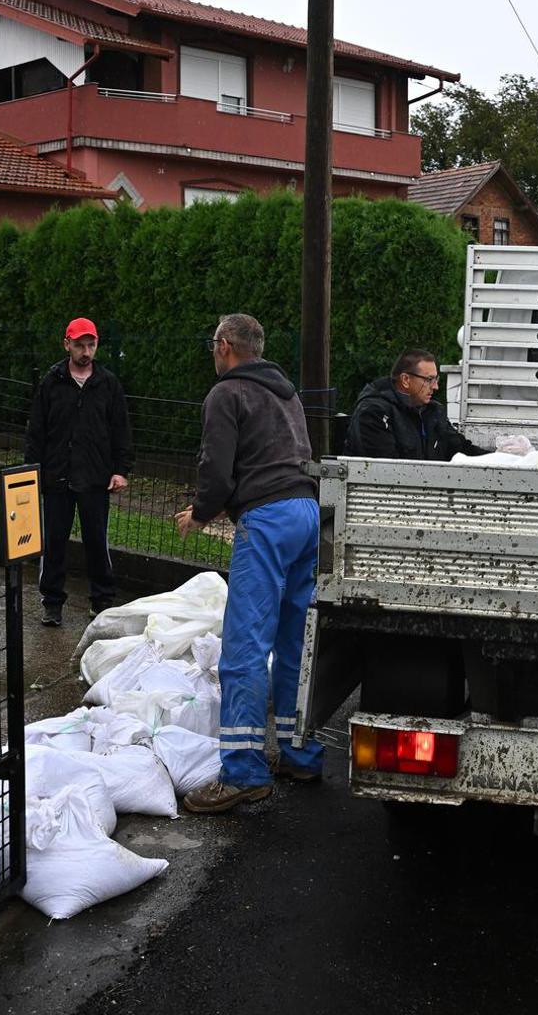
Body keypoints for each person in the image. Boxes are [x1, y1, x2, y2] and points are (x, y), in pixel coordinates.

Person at [173, 313, 325, 812]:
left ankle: (242, 771)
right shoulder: (286, 392)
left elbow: (215, 469)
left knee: (244, 645)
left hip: (267, 517)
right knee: (293, 642)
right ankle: (298, 751)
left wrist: (199, 513)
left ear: (224, 346)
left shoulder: (227, 394)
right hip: (306, 512)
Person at [25, 317, 133, 627]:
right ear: (67, 344)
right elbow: (37, 431)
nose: (86, 351)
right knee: (54, 541)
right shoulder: (52, 381)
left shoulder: (108, 383)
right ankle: (52, 602)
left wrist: (120, 470)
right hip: (56, 476)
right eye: (80, 345)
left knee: (96, 540)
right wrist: (33, 472)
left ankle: (102, 600)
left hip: (95, 477)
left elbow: (120, 430)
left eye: (91, 345)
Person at [343, 348, 487, 460]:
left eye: (436, 379)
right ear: (405, 379)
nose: (435, 386)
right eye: (429, 380)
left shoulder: (433, 411)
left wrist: (502, 459)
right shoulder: (373, 413)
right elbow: (385, 471)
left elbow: (461, 449)